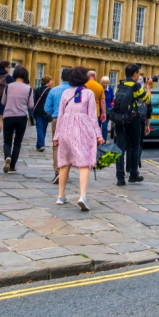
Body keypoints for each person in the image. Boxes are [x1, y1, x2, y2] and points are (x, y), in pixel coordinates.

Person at [54, 66, 103, 210]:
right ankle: (82, 196)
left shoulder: (65, 93)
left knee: (64, 163)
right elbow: (93, 117)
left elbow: (60, 115)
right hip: (83, 129)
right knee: (84, 163)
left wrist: (57, 135)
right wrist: (98, 135)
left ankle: (61, 196)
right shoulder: (88, 94)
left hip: (66, 129)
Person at [111, 63, 149, 186]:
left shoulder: (119, 86)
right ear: (134, 74)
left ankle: (120, 177)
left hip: (120, 119)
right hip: (133, 119)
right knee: (135, 146)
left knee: (120, 148)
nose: (139, 75)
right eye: (138, 73)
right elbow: (147, 100)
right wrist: (148, 87)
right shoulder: (136, 86)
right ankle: (133, 174)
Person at [1, 66, 33, 173]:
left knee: (7, 141)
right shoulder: (29, 89)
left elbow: (3, 102)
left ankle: (7, 156)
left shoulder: (8, 87)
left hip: (8, 115)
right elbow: (31, 105)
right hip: (22, 117)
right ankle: (12, 166)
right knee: (17, 143)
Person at [45, 76, 71, 183]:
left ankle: (57, 172)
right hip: (71, 120)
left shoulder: (54, 90)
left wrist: (54, 113)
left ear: (61, 78)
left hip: (57, 119)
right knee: (69, 146)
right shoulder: (76, 91)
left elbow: (47, 108)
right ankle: (65, 172)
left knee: (56, 146)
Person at [85, 69, 107, 141]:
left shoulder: (83, 85)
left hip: (84, 112)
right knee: (94, 133)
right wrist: (103, 113)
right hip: (95, 112)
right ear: (95, 77)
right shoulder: (99, 86)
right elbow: (102, 101)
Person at [33, 77, 54, 151]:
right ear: (47, 82)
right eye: (51, 80)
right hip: (46, 111)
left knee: (39, 127)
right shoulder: (50, 91)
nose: (52, 82)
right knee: (43, 128)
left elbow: (34, 100)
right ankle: (41, 144)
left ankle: (39, 145)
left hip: (37, 111)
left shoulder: (38, 89)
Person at [100, 75, 114, 140]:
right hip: (99, 110)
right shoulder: (99, 88)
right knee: (97, 126)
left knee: (104, 127)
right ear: (101, 82)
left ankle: (104, 141)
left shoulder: (110, 89)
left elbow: (112, 99)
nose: (105, 84)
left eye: (106, 83)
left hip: (107, 110)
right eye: (104, 83)